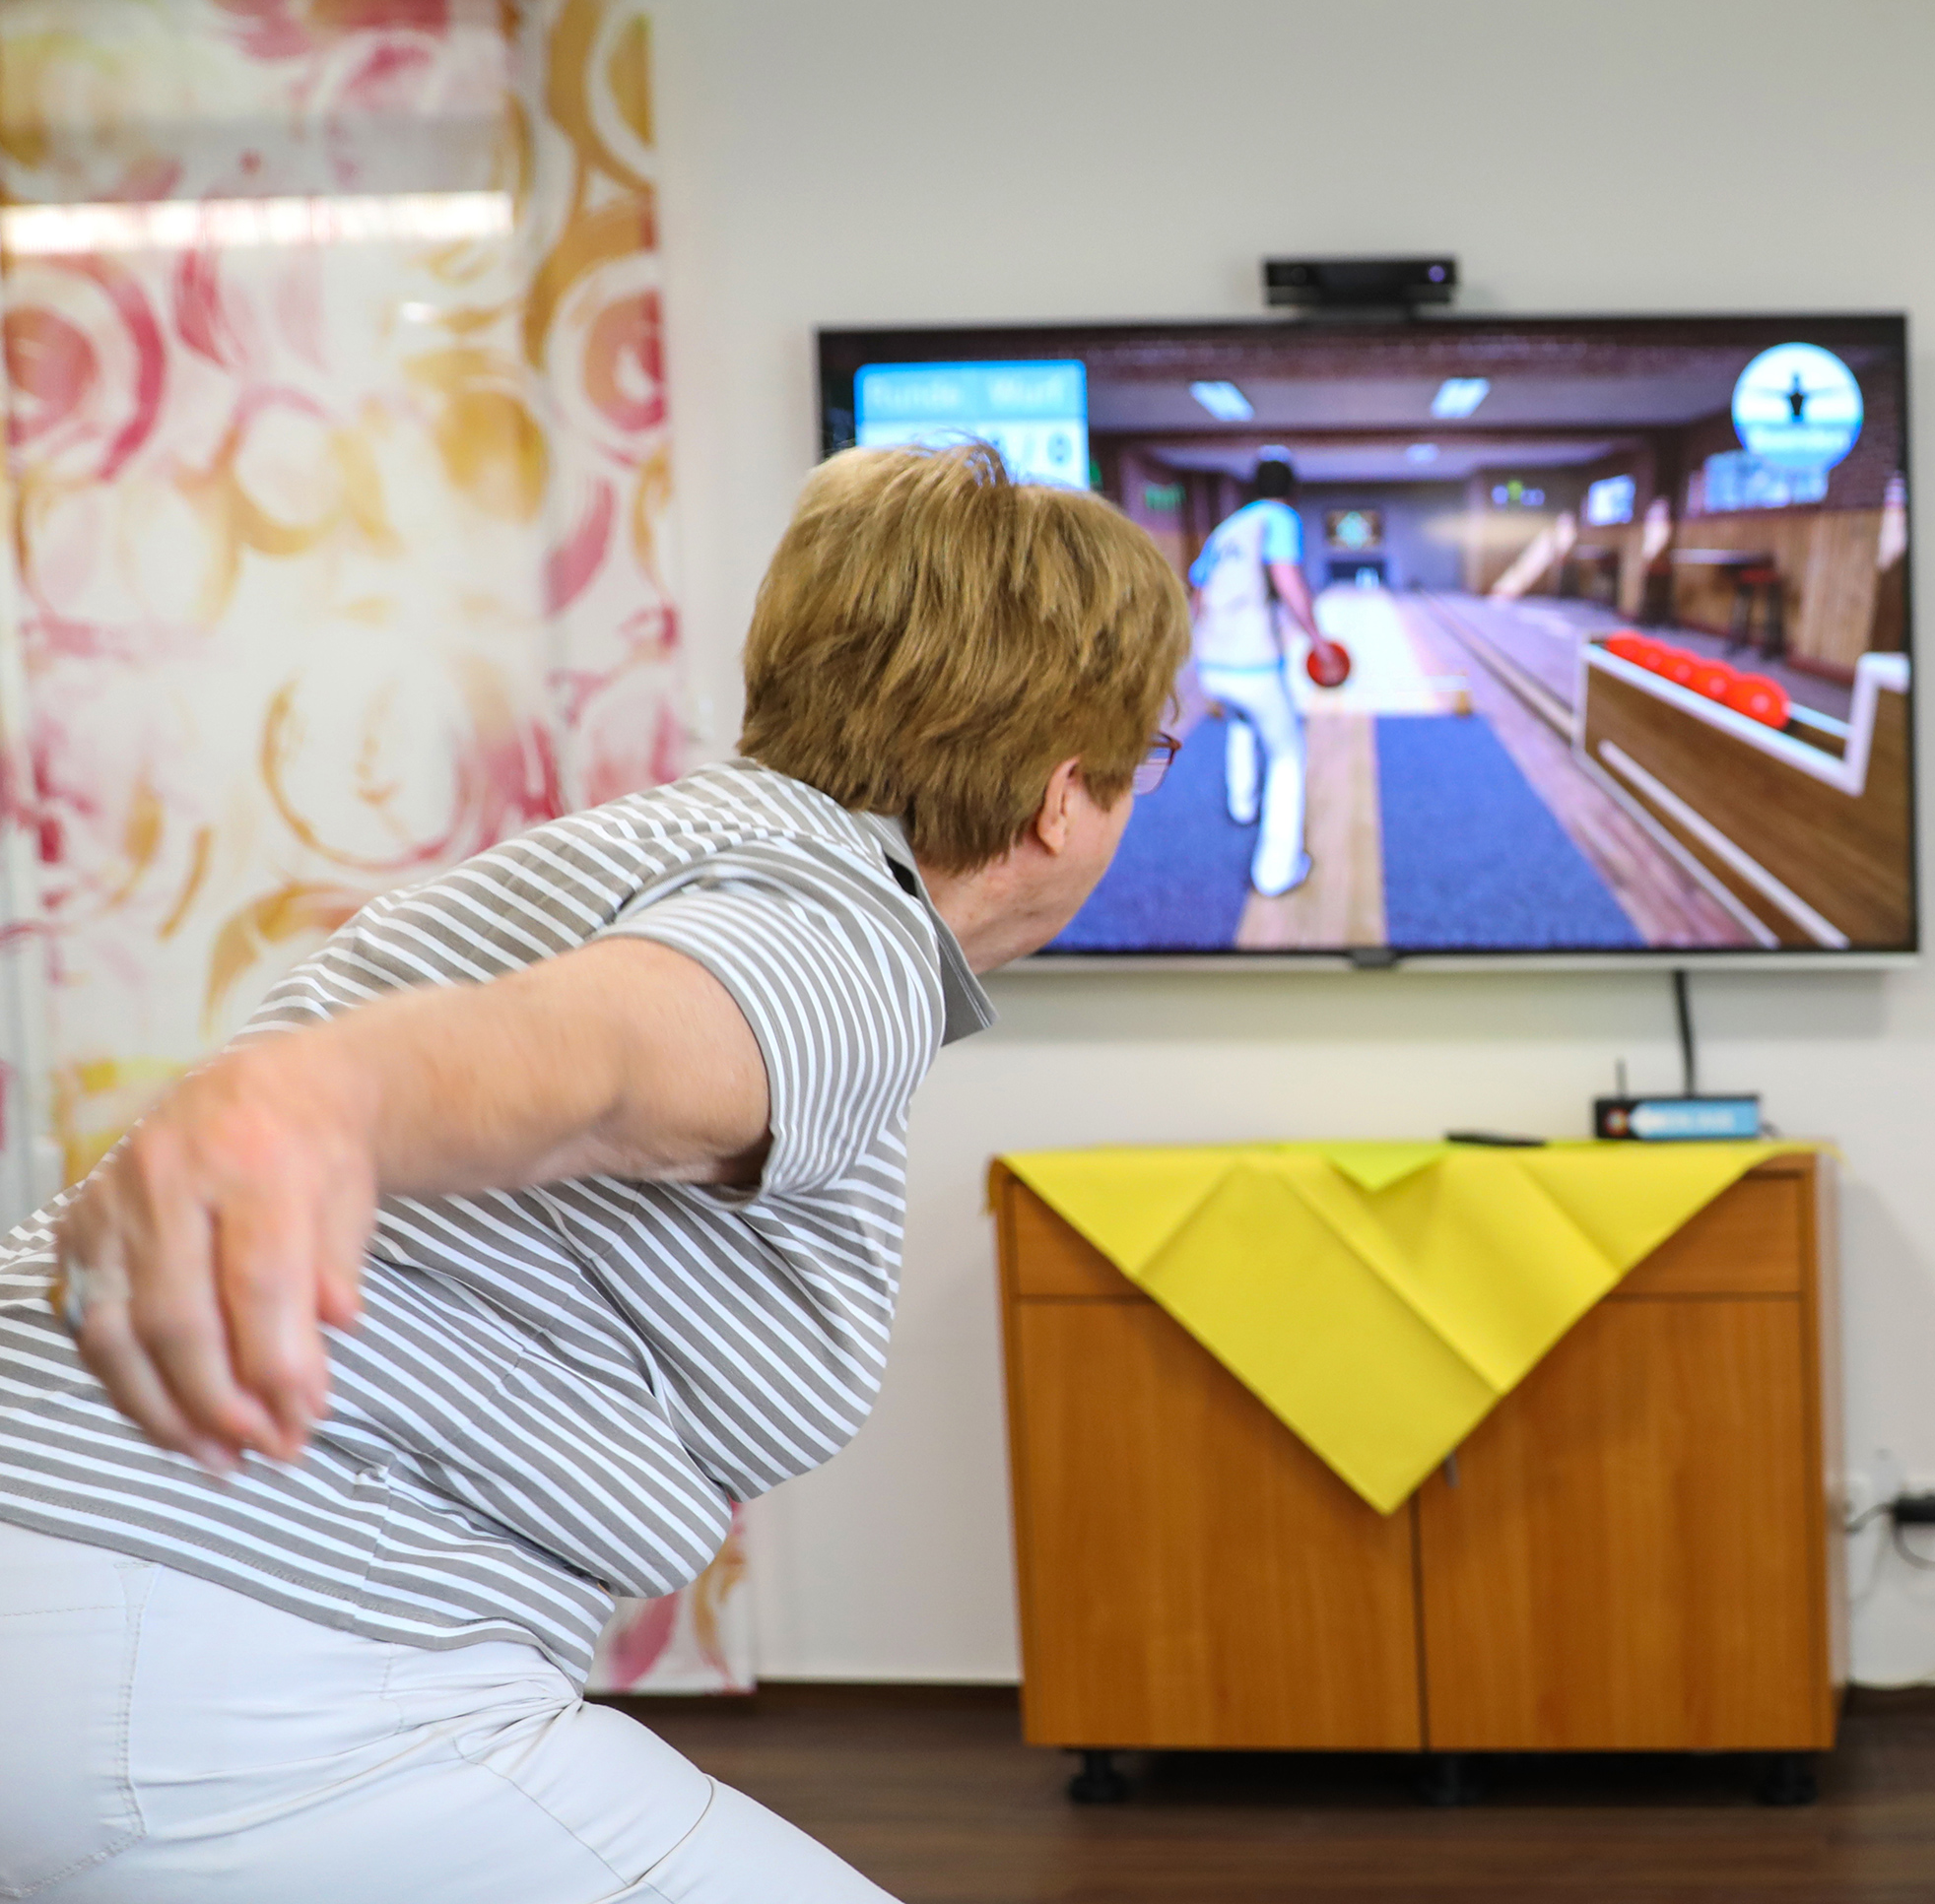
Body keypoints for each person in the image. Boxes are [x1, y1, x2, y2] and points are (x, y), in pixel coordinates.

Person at [0, 441, 1188, 1901]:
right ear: (1065, 794)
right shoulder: (843, 930)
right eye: (1147, 759)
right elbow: (620, 1051)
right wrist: (311, 1098)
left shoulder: (686, 845)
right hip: (238, 1642)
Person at [1187, 451, 1325, 897]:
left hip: (1213, 662)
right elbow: (1287, 579)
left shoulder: (1227, 528)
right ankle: (1277, 870)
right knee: (1288, 753)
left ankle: (1242, 804)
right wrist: (1318, 639)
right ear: (1292, 489)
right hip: (1254, 663)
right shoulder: (1279, 517)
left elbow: (1198, 594)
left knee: (1241, 722)